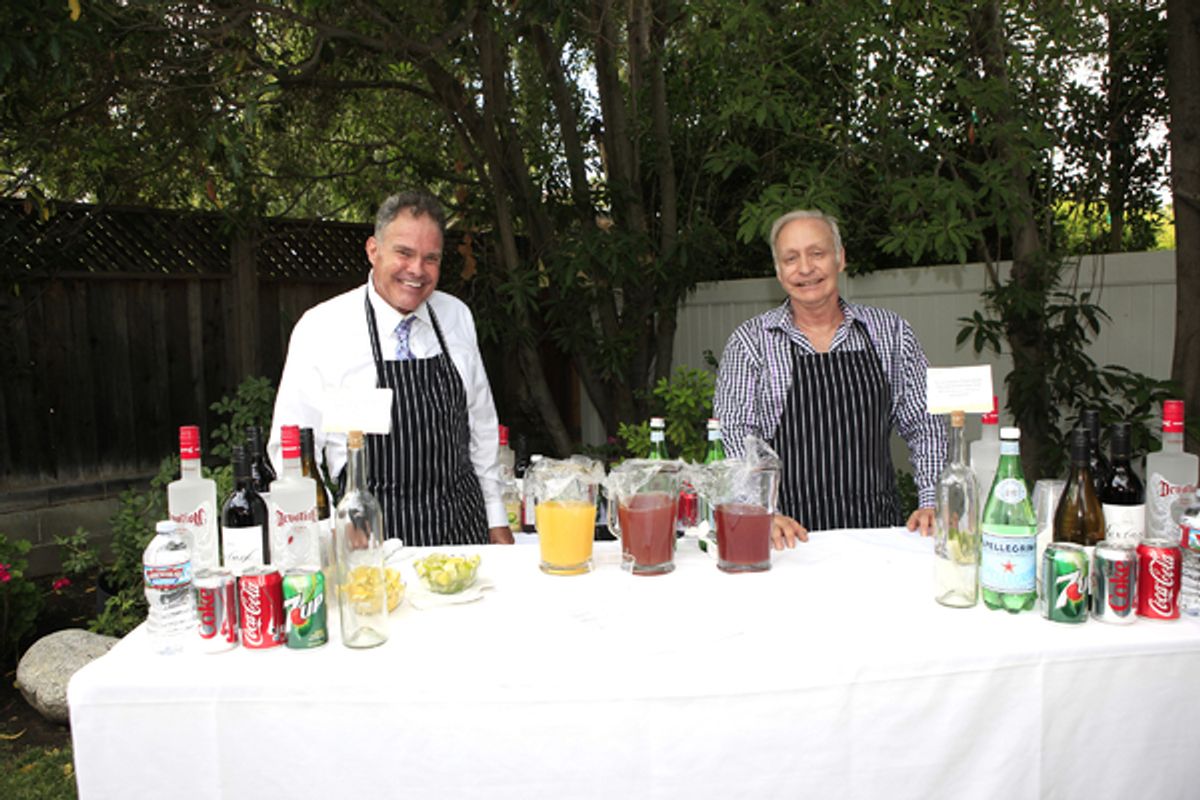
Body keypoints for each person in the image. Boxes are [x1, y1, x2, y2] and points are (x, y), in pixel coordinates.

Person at [269, 191, 513, 546]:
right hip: (371, 544)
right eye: (404, 253)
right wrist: (326, 532)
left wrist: (496, 518)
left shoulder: (456, 316)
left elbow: (483, 425)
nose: (417, 270)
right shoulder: (323, 328)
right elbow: (290, 449)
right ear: (373, 250)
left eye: (431, 259)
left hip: (465, 534)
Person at [713, 210, 946, 548]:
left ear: (840, 258)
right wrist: (758, 510)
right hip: (786, 538)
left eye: (817, 253)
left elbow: (925, 424)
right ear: (778, 272)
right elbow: (734, 435)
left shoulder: (890, 332)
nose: (805, 268)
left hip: (876, 536)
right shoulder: (751, 342)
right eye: (791, 258)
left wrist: (932, 501)